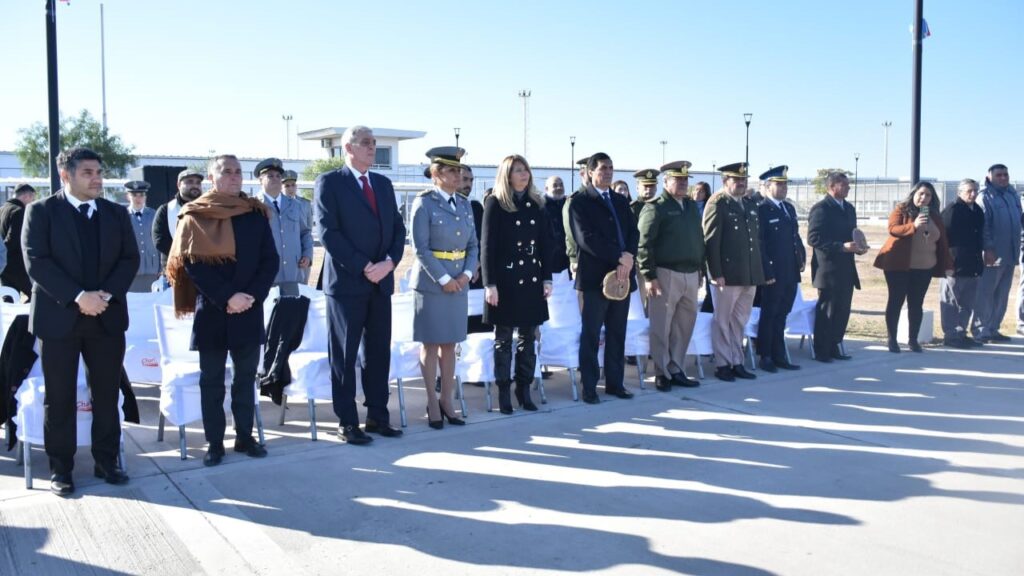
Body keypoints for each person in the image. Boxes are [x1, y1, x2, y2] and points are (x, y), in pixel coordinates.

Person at [23, 147, 140, 496]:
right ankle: (61, 469)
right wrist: (78, 297)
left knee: (106, 394)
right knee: (58, 398)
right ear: (66, 175)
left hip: (106, 318)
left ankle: (107, 462)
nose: (97, 179)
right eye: (88, 172)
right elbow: (36, 262)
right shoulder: (41, 212)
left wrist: (103, 296)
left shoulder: (116, 213)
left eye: (99, 172)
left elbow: (128, 258)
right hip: (58, 321)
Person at [167, 154, 278, 465]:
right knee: (212, 381)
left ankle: (244, 436)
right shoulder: (195, 214)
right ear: (211, 178)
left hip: (249, 309)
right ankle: (214, 443)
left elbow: (270, 260)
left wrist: (251, 296)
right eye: (226, 172)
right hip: (214, 311)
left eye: (238, 172)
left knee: (245, 379)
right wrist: (228, 297)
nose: (234, 177)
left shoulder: (255, 213)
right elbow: (192, 265)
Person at [315, 126, 406, 444]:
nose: (372, 148)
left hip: (380, 282)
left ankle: (378, 416)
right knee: (344, 354)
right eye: (366, 143)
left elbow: (397, 228)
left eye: (374, 143)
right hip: (347, 284)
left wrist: (390, 263)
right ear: (348, 148)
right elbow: (329, 233)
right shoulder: (330, 182)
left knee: (378, 353)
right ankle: (347, 421)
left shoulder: (382, 183)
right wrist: (364, 266)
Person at [410, 146, 479, 428]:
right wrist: (444, 279)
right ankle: (431, 400)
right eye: (451, 170)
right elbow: (420, 248)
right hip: (432, 283)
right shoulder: (424, 203)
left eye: (459, 170)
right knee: (431, 343)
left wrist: (465, 274)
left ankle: (447, 400)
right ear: (436, 174)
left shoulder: (463, 204)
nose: (458, 175)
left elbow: (473, 244)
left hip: (458, 281)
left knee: (450, 343)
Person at [481, 155, 552, 414]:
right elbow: (487, 247)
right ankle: (503, 391)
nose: (524, 174)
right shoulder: (495, 203)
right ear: (507, 175)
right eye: (518, 171)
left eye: (526, 170)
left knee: (528, 338)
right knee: (503, 340)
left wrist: (547, 278)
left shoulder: (536, 204)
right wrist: (490, 284)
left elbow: (545, 244)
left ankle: (524, 389)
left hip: (531, 280)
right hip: (505, 281)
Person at [568, 152, 638, 404]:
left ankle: (615, 383)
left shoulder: (620, 200)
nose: (608, 172)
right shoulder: (580, 203)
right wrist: (620, 258)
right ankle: (589, 386)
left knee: (618, 331)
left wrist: (629, 256)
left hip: (623, 276)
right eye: (602, 168)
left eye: (611, 167)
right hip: (596, 279)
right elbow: (586, 239)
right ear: (589, 172)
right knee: (591, 333)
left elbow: (633, 231)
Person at [637, 160, 703, 390]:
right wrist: (649, 276)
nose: (684, 184)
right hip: (665, 274)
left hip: (690, 274)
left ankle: (676, 368)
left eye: (686, 180)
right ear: (666, 181)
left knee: (684, 326)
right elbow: (644, 245)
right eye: (678, 179)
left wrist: (700, 269)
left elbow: (698, 240)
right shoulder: (656, 207)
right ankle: (661, 372)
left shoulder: (691, 207)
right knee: (661, 327)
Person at [873, 182, 954, 352]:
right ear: (914, 194)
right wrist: (914, 226)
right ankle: (892, 339)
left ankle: (913, 340)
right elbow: (893, 229)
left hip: (924, 267)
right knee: (896, 301)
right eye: (921, 194)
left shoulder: (934, 216)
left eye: (928, 195)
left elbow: (943, 242)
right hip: (899, 266)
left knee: (916, 304)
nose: (924, 198)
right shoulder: (901, 210)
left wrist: (947, 264)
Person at [703, 162, 763, 381]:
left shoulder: (748, 204)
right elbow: (711, 242)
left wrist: (758, 272)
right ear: (725, 181)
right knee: (723, 321)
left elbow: (755, 241)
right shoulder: (718, 204)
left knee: (739, 321)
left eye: (743, 180)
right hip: (726, 276)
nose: (741, 183)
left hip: (748, 274)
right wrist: (715, 273)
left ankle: (737, 360)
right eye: (736, 180)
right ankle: (722, 364)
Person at [807, 172, 866, 362]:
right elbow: (814, 238)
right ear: (832, 187)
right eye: (844, 185)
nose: (848, 188)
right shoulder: (821, 209)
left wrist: (858, 247)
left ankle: (834, 345)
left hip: (846, 269)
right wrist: (840, 247)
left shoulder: (848, 208)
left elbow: (853, 234)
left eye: (848, 185)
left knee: (842, 310)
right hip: (828, 269)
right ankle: (821, 349)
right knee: (828, 310)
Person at [755, 166, 805, 372]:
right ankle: (765, 355)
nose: (784, 188)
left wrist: (801, 256)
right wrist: (767, 271)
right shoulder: (762, 209)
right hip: (773, 272)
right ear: (767, 186)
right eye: (779, 184)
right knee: (769, 314)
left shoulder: (788, 208)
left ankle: (779, 354)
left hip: (790, 271)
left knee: (782, 313)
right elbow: (760, 244)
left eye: (785, 184)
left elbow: (795, 237)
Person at [972, 164, 1020, 342]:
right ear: (989, 176)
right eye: (999, 175)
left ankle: (993, 328)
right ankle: (980, 329)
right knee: (986, 293)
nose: (1003, 178)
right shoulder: (985, 197)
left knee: (1002, 293)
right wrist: (988, 249)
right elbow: (984, 226)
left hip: (1011, 252)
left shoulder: (1011, 195)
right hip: (994, 253)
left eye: (1005, 174)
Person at [255, 158, 312, 294]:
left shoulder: (295, 205)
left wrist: (307, 255)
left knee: (293, 313)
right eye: (270, 176)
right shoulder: (253, 206)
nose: (275, 179)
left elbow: (305, 233)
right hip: (266, 275)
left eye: (278, 176)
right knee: (268, 314)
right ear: (260, 180)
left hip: (294, 272)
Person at [939, 179, 985, 348]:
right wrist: (946, 261)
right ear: (960, 193)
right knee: (951, 302)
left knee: (967, 303)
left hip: (972, 265)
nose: (972, 194)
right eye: (969, 191)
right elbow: (943, 238)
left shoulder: (977, 211)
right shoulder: (952, 210)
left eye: (975, 191)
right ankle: (951, 335)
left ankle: (960, 333)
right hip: (954, 265)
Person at [153, 168, 204, 277]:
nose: (195, 185)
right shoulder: (166, 210)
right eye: (189, 182)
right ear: (178, 185)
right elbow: (159, 240)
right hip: (177, 271)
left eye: (198, 183)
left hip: (206, 270)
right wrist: (187, 256)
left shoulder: (208, 208)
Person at [0, 183, 36, 299]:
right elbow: (12, 240)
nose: (32, 202)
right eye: (32, 199)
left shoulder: (2, 209)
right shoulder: (19, 212)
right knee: (36, 296)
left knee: (9, 299)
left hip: (4, 266)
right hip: (17, 264)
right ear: (27, 196)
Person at [124, 180, 161, 292]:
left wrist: (162, 267)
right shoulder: (122, 216)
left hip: (153, 269)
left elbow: (159, 240)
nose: (138, 198)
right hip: (131, 270)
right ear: (128, 197)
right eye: (134, 195)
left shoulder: (154, 214)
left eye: (141, 195)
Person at [282, 170, 313, 284]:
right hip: (283, 255)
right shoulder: (277, 204)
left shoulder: (305, 204)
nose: (290, 188)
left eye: (293, 185)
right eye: (287, 186)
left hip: (301, 256)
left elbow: (307, 232)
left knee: (302, 291)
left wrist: (307, 255)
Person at [564, 156, 590, 277]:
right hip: (583, 258)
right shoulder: (574, 200)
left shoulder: (606, 197)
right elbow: (570, 233)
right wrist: (574, 259)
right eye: (590, 171)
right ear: (582, 173)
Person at [543, 176, 569, 275]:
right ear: (546, 189)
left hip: (567, 261)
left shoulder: (569, 204)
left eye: (561, 184)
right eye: (555, 185)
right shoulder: (541, 206)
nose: (559, 187)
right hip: (551, 261)